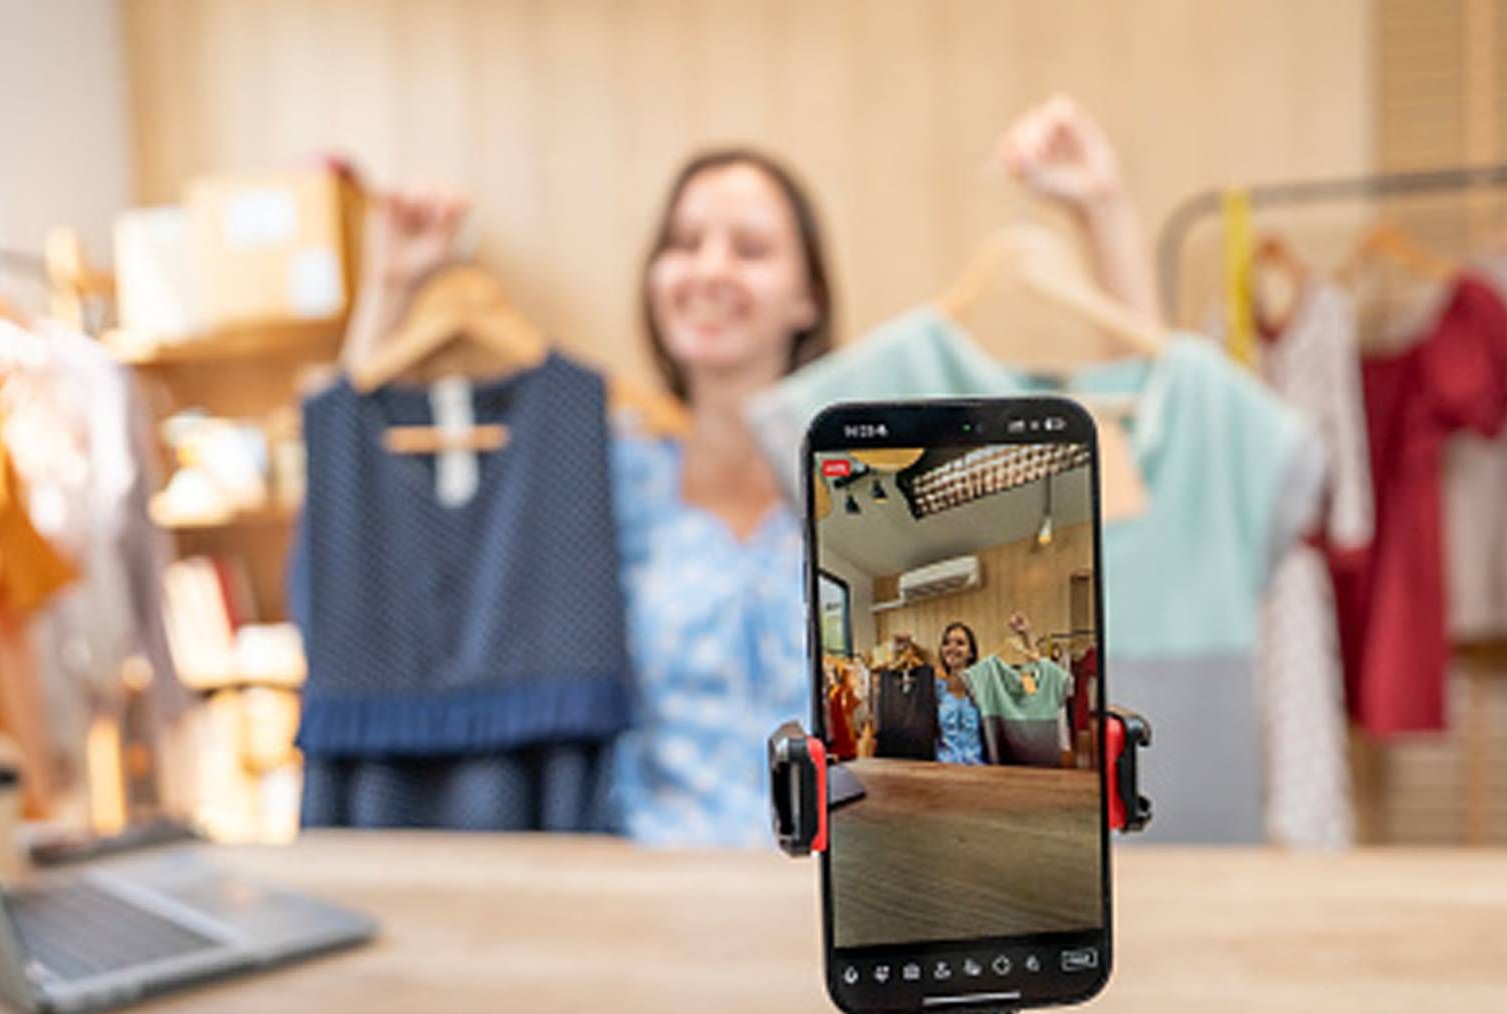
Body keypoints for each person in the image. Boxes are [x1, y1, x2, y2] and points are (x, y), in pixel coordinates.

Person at [338, 96, 1159, 845]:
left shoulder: (874, 478)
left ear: (808, 297)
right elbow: (365, 486)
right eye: (683, 243)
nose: (709, 268)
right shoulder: (604, 476)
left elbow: (1137, 436)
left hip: (837, 885)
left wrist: (1101, 212)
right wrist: (390, 288)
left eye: (751, 248)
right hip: (642, 891)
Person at [934, 621, 986, 766]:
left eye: (960, 643)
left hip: (977, 768)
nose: (952, 648)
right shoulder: (935, 689)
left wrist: (1026, 636)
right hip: (943, 768)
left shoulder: (981, 689)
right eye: (947, 643)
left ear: (971, 653)